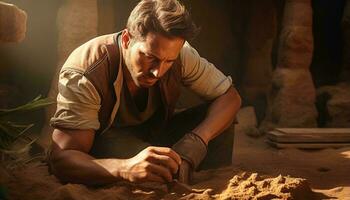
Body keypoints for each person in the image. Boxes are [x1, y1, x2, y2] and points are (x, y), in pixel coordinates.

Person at [48, 0, 241, 186]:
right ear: (126, 39)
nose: (158, 71)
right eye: (150, 57)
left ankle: (199, 177)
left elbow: (230, 97)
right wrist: (125, 168)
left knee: (221, 121)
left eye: (169, 62)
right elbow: (62, 157)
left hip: (155, 133)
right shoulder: (87, 71)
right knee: (151, 164)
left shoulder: (180, 55)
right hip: (109, 142)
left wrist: (197, 140)